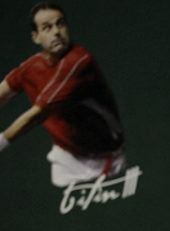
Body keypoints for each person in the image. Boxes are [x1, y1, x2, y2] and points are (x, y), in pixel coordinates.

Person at [0, 3, 126, 187]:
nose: (57, 32)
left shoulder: (79, 61)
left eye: (60, 24)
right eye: (47, 27)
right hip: (65, 154)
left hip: (102, 158)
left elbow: (37, 115)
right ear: (35, 37)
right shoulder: (31, 67)